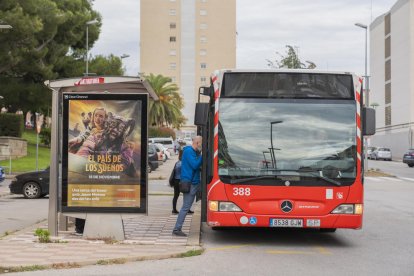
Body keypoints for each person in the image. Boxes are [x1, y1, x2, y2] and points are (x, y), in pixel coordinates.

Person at [172, 136, 202, 237]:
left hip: (195, 182)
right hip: (190, 183)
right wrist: (202, 156)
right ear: (197, 142)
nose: (201, 146)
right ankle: (177, 229)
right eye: (201, 144)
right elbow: (194, 165)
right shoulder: (189, 151)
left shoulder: (193, 152)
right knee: (186, 207)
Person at [170, 150, 194, 214]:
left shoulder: (177, 162)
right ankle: (187, 209)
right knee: (186, 195)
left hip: (176, 181)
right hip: (183, 181)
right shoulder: (184, 163)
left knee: (176, 196)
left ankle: (174, 209)